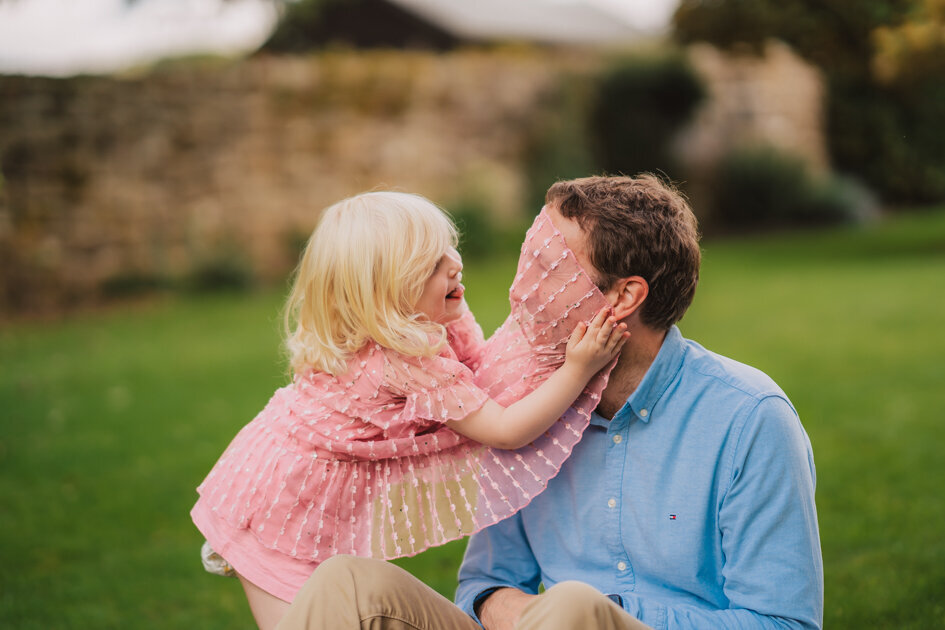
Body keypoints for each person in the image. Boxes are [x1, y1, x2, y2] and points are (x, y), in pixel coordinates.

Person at [275, 175, 823, 630]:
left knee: (573, 606)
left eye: (549, 264)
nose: (521, 286)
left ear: (624, 297)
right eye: (528, 255)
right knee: (346, 585)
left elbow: (786, 622)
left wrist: (596, 616)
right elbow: (485, 584)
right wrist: (515, 610)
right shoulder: (518, 405)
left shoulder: (750, 418)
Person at [190, 191, 628, 630]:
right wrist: (576, 370)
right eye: (431, 265)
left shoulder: (433, 316)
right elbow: (504, 429)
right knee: (313, 620)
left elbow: (481, 374)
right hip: (281, 506)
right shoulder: (403, 361)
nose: (453, 263)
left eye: (448, 247)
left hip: (285, 473)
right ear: (387, 294)